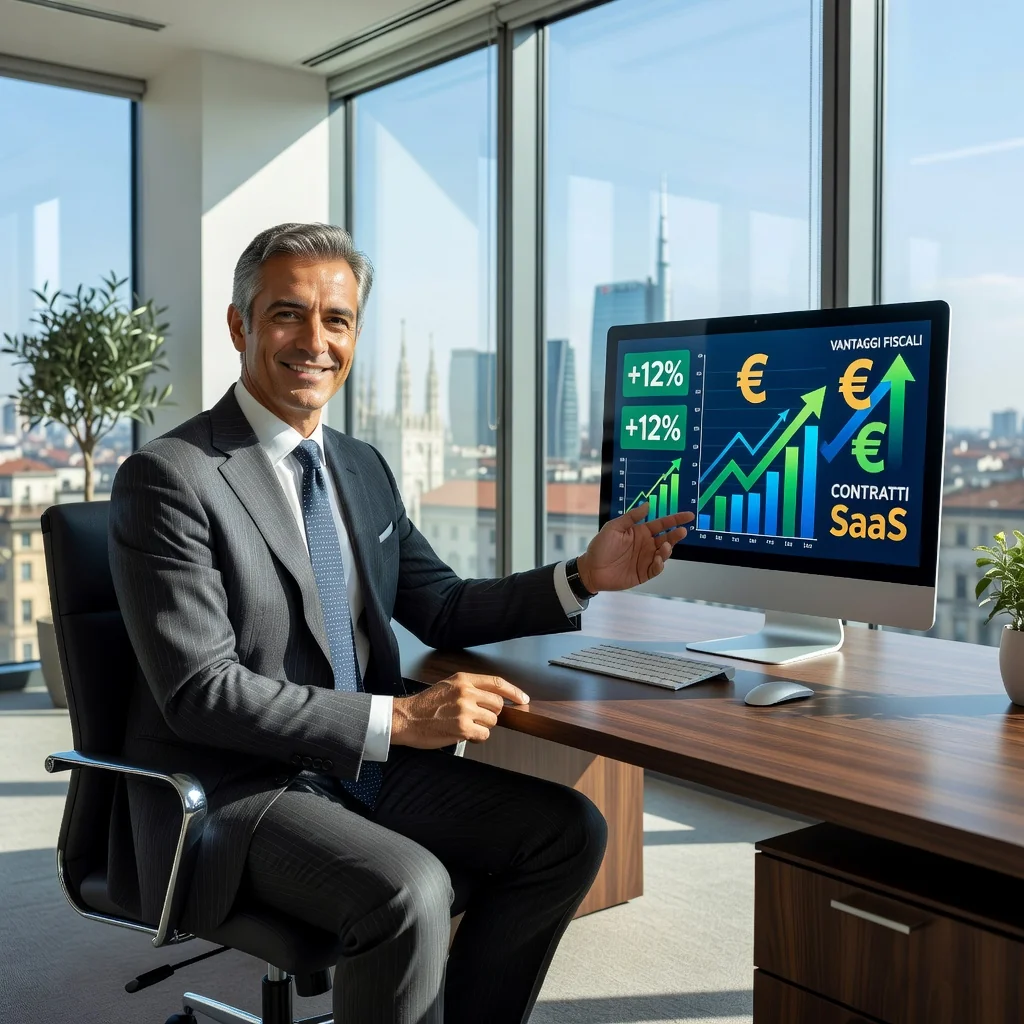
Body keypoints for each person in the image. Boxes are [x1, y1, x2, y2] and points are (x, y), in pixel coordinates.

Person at [108, 222, 694, 1024]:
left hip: (360, 767)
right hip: (239, 790)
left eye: (337, 320)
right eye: (287, 314)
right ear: (241, 325)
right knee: (408, 889)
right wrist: (401, 717)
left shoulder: (361, 467)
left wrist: (583, 578)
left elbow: (444, 605)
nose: (315, 341)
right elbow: (202, 693)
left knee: (568, 832)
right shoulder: (170, 477)